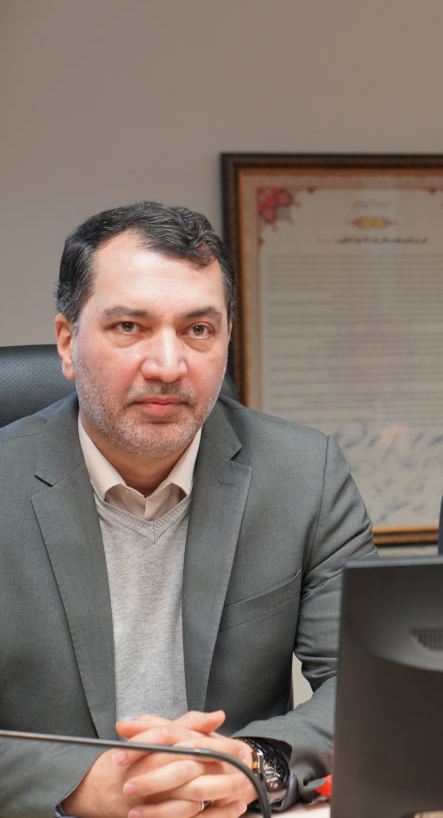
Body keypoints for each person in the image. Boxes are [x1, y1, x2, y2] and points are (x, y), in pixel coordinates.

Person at [0, 201, 377, 818]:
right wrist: (83, 786)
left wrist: (253, 763)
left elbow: (369, 683)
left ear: (227, 338)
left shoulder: (305, 476)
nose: (168, 366)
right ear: (67, 343)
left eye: (198, 329)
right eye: (130, 327)